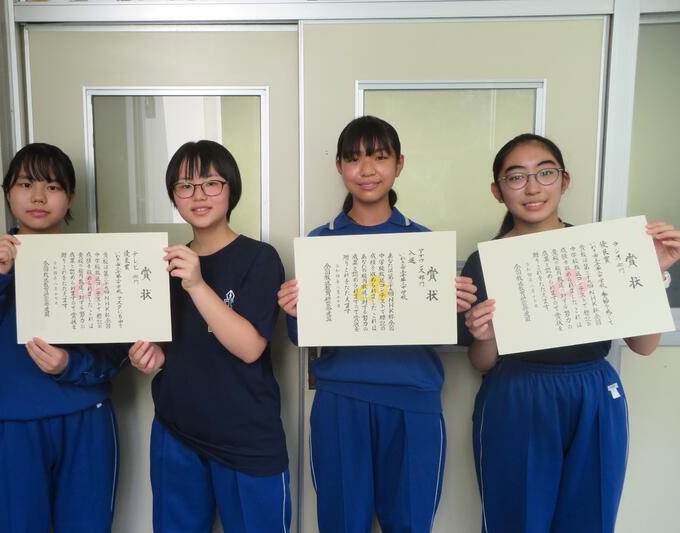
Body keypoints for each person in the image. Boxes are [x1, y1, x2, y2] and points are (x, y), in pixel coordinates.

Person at [0, 143, 164, 533]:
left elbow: (119, 351)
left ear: (70, 197)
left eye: (52, 187)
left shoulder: (96, 258)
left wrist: (70, 364)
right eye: (26, 184)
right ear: (8, 192)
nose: (38, 197)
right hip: (5, 425)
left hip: (85, 419)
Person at [459, 133, 680, 533]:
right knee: (517, 518)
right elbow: (481, 362)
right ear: (497, 190)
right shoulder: (485, 261)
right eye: (516, 177)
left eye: (545, 173)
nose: (532, 188)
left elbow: (644, 345)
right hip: (516, 392)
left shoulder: (600, 250)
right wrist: (485, 335)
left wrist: (653, 275)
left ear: (564, 180)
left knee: (589, 517)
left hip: (593, 391)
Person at [277, 115, 477, 532]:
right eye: (354, 159)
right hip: (341, 399)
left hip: (413, 399)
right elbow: (301, 337)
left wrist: (457, 308)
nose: (367, 170)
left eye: (380, 157)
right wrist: (293, 311)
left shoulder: (424, 244)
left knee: (409, 522)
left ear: (399, 164)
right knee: (342, 521)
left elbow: (450, 333)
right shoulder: (320, 243)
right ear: (339, 166)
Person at [133, 140, 290, 532]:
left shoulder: (260, 258)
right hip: (177, 430)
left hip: (246, 437)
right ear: (174, 196)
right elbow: (168, 348)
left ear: (231, 189)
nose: (199, 195)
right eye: (185, 186)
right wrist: (149, 356)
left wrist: (197, 284)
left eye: (211, 183)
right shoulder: (164, 265)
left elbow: (250, 348)